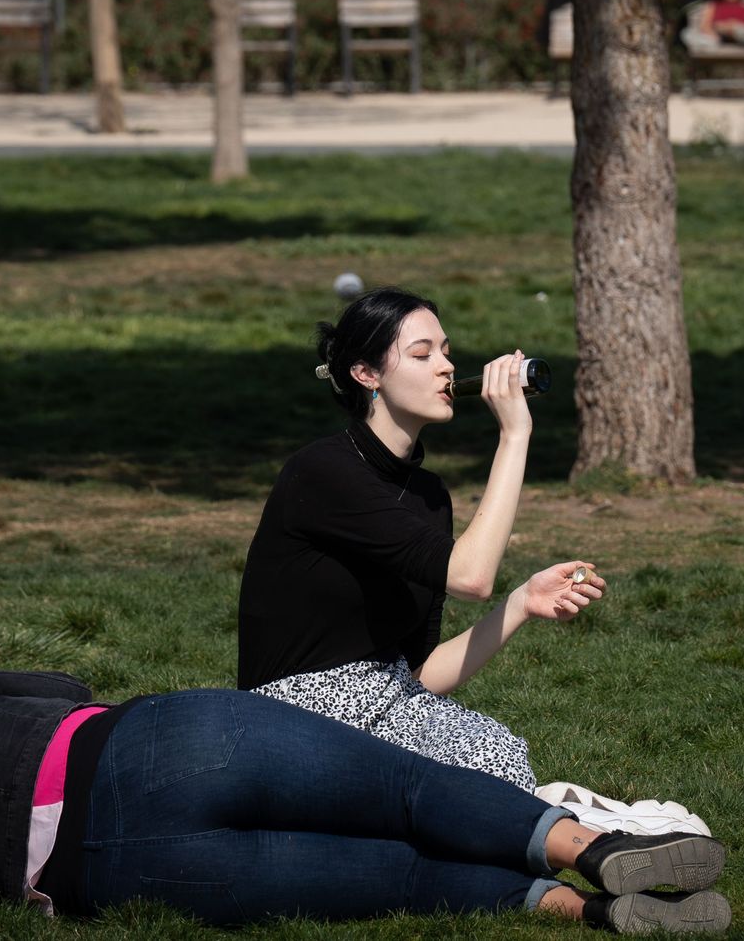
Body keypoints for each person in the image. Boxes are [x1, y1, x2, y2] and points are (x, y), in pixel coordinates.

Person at [0, 670, 732, 934]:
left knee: (402, 877)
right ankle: (590, 848)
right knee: (406, 790)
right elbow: (59, 682)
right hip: (159, 747)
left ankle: (591, 916)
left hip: (128, 875)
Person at [237, 287, 606, 790]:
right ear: (366, 375)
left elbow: (417, 676)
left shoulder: (429, 496)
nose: (446, 367)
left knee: (495, 755)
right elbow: (471, 579)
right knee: (479, 770)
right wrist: (514, 436)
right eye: (422, 354)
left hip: (388, 705)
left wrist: (520, 604)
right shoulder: (322, 471)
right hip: (295, 716)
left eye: (447, 350)